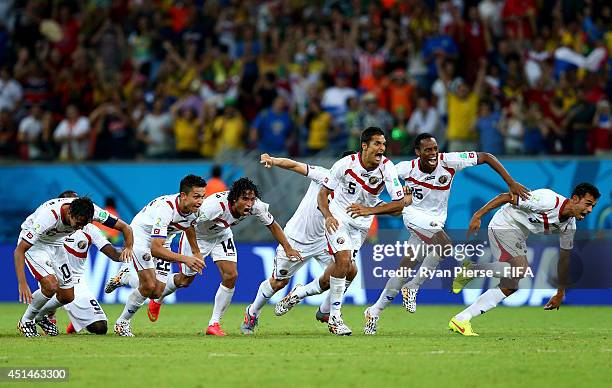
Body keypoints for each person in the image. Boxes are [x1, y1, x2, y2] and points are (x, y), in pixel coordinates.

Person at [363, 133, 529, 335]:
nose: (433, 154)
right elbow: (378, 179)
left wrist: (510, 182)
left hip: (435, 222)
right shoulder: (405, 169)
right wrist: (391, 194)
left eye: (435, 149)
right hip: (414, 215)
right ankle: (413, 287)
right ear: (418, 153)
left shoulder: (449, 161)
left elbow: (486, 156)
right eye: (427, 150)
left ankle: (374, 311)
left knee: (404, 270)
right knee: (444, 245)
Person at [276, 127, 405, 335]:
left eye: (384, 144)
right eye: (377, 144)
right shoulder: (344, 165)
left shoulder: (388, 168)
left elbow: (399, 205)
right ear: (365, 146)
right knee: (344, 261)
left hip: (361, 226)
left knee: (341, 273)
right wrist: (328, 216)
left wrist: (370, 210)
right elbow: (323, 193)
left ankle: (300, 293)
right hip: (339, 219)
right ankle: (334, 318)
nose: (382, 149)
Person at [146, 177, 301, 336]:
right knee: (185, 280)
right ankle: (158, 299)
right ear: (234, 199)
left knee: (231, 275)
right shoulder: (212, 207)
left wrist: (288, 248)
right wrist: (196, 252)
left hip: (222, 234)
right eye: (245, 199)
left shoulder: (256, 207)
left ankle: (214, 324)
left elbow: (272, 225)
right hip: (197, 237)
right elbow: (189, 224)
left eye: (252, 199)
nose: (249, 203)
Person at [450, 183, 600, 336]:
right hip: (504, 224)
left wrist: (560, 292)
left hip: (519, 235)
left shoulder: (569, 226)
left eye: (593, 207)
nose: (589, 210)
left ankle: (461, 319)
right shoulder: (547, 200)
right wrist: (478, 215)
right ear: (575, 199)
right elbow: (505, 197)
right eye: (587, 204)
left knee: (511, 285)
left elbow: (564, 260)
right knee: (519, 269)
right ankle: (471, 270)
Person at [240, 153, 361, 335]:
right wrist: (273, 161)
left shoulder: (354, 191)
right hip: (298, 239)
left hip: (324, 239)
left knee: (349, 268)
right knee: (279, 282)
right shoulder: (323, 175)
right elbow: (295, 165)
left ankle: (325, 310)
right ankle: (252, 311)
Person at [15, 196, 133, 337]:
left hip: (57, 244)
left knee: (67, 296)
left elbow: (125, 227)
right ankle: (26, 320)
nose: (80, 228)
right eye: (78, 223)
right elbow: (20, 250)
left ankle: (39, 316)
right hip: (37, 245)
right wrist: (22, 283)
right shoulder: (49, 216)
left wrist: (129, 247)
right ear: (70, 213)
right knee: (51, 285)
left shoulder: (94, 211)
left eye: (85, 224)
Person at [112, 175, 206, 337]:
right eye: (196, 196)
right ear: (183, 196)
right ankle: (122, 322)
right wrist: (186, 258)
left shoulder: (193, 210)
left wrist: (196, 252)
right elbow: (155, 249)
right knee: (148, 286)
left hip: (164, 240)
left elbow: (189, 227)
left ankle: (126, 277)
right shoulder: (166, 209)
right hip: (141, 236)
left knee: (157, 292)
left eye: (202, 196)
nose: (200, 201)